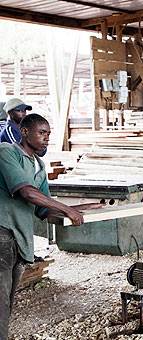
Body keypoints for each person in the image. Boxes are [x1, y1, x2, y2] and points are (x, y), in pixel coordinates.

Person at [0, 113, 104, 339]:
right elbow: (26, 191)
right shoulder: (7, 152)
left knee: (6, 302)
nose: (47, 138)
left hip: (18, 240)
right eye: (42, 133)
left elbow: (43, 208)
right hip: (2, 235)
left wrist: (87, 207)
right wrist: (68, 210)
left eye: (48, 134)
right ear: (24, 132)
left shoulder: (38, 165)